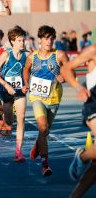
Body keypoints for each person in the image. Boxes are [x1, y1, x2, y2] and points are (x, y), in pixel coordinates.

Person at [23, 25, 69, 176]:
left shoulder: (60, 55)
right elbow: (26, 69)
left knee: (45, 130)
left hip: (54, 98)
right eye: (46, 38)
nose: (49, 41)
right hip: (37, 97)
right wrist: (25, 83)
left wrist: (61, 76)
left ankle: (38, 145)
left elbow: (69, 74)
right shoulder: (32, 56)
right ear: (40, 40)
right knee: (43, 128)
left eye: (51, 38)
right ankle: (45, 165)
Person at [61, 43, 96, 198]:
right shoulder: (93, 50)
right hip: (93, 100)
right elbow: (65, 69)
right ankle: (81, 156)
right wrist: (79, 88)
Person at [0, 26, 28, 162]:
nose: (22, 43)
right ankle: (6, 115)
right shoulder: (6, 54)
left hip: (19, 90)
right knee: (9, 121)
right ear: (12, 41)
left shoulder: (26, 55)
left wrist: (26, 84)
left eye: (23, 40)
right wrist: (6, 85)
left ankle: (18, 152)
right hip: (5, 90)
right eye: (19, 41)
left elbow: (28, 72)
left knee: (21, 118)